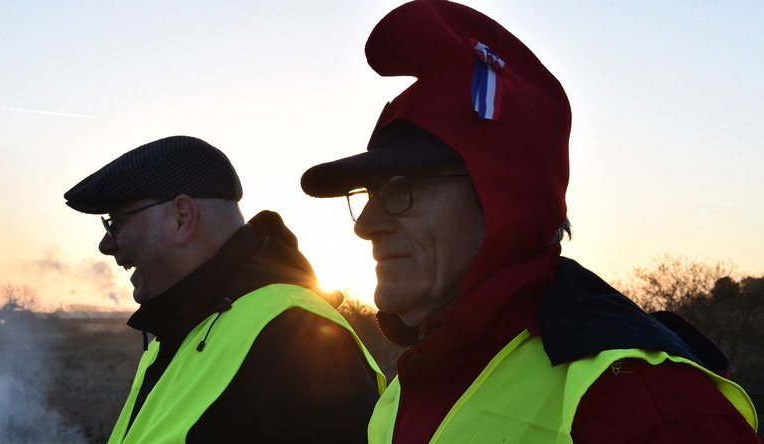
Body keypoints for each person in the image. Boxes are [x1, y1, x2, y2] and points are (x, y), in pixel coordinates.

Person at [300, 1, 760, 443]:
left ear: (506, 199)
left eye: (400, 189)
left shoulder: (640, 402)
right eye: (369, 193)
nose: (365, 224)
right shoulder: (404, 391)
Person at [64, 135, 385, 443]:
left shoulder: (301, 342)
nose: (106, 245)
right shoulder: (179, 333)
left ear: (181, 218)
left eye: (116, 224)